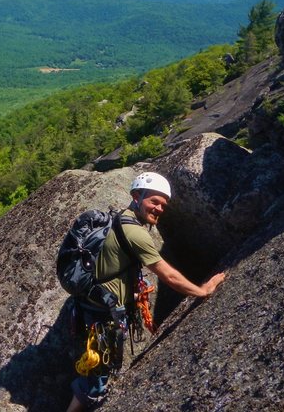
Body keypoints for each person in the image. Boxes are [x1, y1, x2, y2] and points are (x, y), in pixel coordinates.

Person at [66, 171, 226, 411]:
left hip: (94, 303)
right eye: (154, 201)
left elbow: (113, 265)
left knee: (98, 370)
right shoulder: (136, 233)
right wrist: (203, 290)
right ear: (136, 197)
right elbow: (168, 275)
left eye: (163, 204)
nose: (160, 208)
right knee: (96, 379)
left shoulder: (123, 218)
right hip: (100, 314)